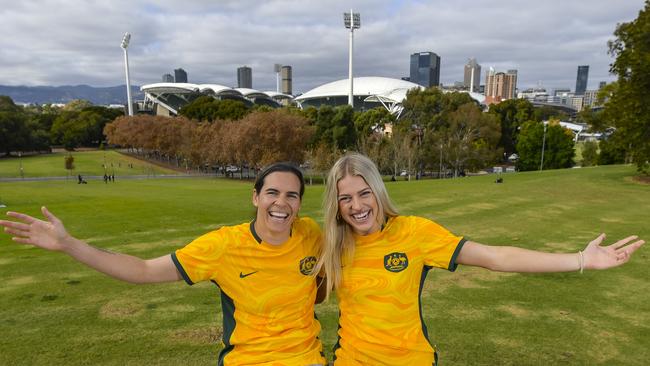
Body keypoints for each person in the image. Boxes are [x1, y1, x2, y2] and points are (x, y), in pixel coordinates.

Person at [314, 152, 645, 365]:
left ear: (377, 192)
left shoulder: (414, 233)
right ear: (337, 205)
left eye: (363, 193)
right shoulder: (333, 245)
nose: (356, 205)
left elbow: (495, 257)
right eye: (346, 198)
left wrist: (581, 260)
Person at [1, 162, 326, 366]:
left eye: (291, 195)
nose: (281, 203)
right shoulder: (223, 246)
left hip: (307, 359)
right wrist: (68, 244)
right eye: (272, 192)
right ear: (256, 197)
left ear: (299, 202)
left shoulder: (310, 233)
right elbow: (142, 271)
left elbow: (329, 274)